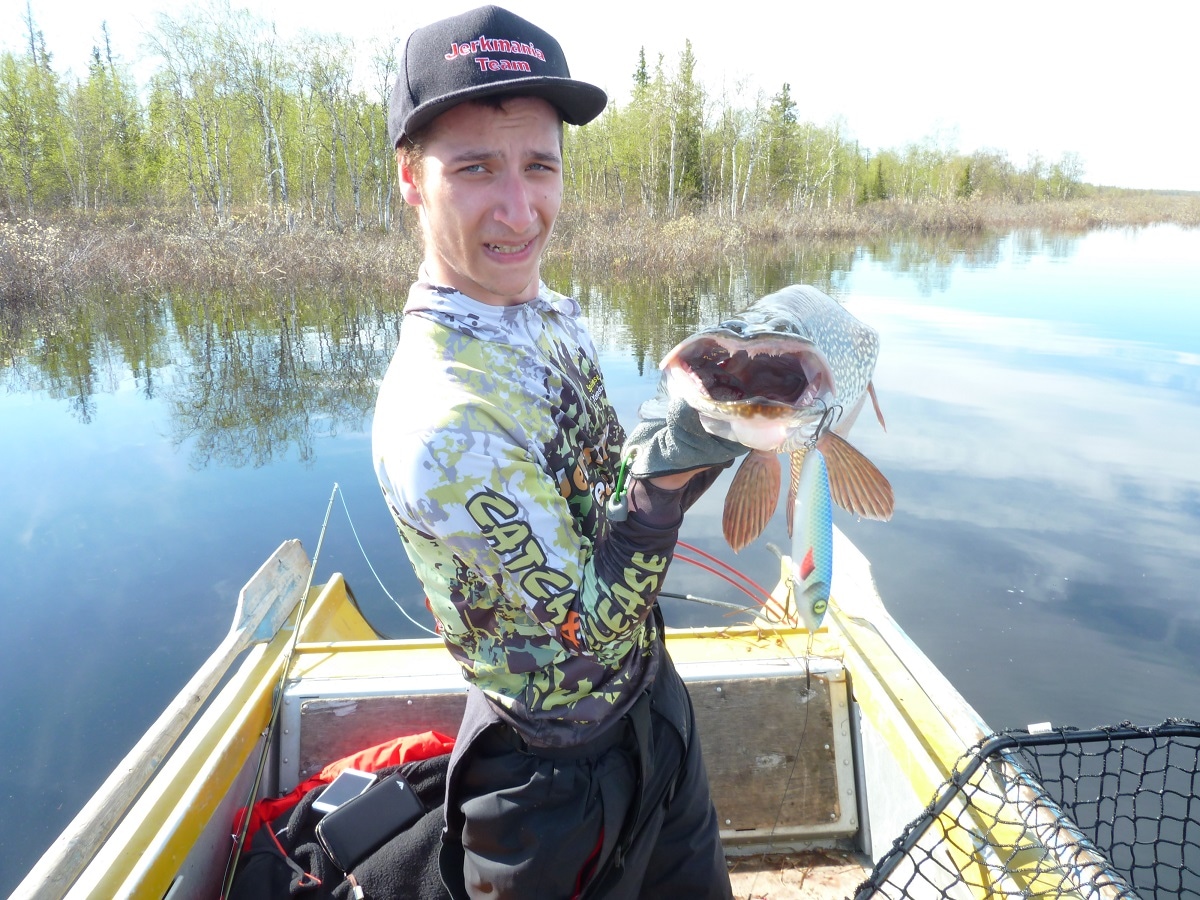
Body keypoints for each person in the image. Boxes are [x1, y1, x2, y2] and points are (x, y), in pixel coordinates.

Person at [372, 7, 746, 898]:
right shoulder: (443, 422)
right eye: (475, 168)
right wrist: (672, 471)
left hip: (653, 705)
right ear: (411, 179)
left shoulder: (542, 312)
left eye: (539, 165)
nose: (519, 210)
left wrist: (708, 419)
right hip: (551, 786)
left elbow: (601, 492)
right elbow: (589, 629)